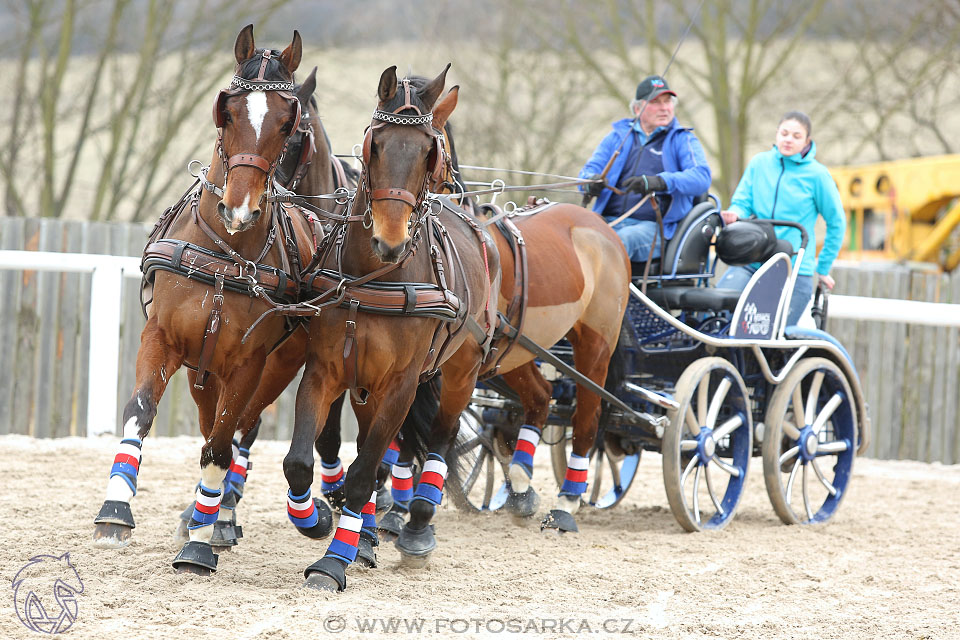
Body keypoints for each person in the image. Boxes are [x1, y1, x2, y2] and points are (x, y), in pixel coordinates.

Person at [717, 111, 846, 326]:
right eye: (784, 133)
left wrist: (823, 267)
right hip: (752, 259)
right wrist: (735, 213)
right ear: (776, 135)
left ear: (807, 141)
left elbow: (836, 222)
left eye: (796, 136)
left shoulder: (817, 175)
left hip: (793, 267)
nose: (788, 139)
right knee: (718, 312)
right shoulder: (759, 164)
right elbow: (742, 201)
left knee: (771, 332)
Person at [579, 75, 712, 262]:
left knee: (621, 240)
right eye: (656, 102)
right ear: (637, 108)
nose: (665, 108)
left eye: (668, 102)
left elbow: (701, 177)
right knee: (569, 238)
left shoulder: (683, 139)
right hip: (607, 221)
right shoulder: (616, 137)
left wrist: (660, 181)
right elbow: (585, 175)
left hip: (656, 228)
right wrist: (590, 182)